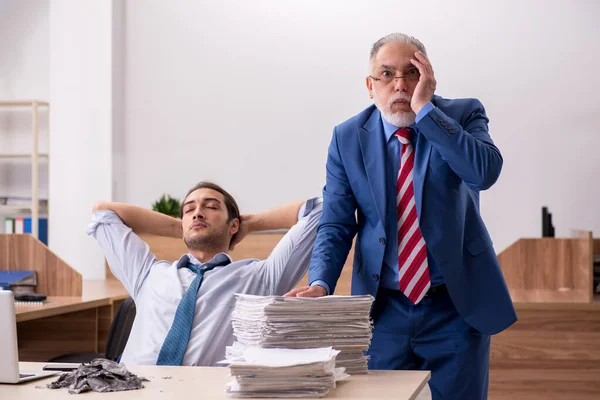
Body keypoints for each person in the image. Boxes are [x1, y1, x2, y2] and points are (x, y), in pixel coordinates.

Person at [285, 33, 517, 399]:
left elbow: (483, 173)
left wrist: (427, 111)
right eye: (387, 74)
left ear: (428, 76)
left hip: (454, 306)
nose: (400, 85)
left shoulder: (461, 114)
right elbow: (337, 222)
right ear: (370, 85)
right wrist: (320, 284)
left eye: (412, 72)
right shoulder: (347, 137)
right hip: (384, 310)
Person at [88, 181, 322, 366]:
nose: (198, 213)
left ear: (233, 226)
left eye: (211, 207)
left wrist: (250, 222)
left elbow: (321, 208)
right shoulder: (147, 273)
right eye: (189, 210)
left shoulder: (260, 277)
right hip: (134, 391)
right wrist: (178, 227)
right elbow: (103, 212)